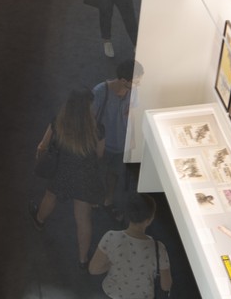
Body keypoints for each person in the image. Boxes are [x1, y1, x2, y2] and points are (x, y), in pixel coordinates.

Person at [30, 89, 105, 268]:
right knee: (83, 218)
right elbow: (99, 155)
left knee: (50, 196)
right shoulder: (98, 129)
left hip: (61, 171)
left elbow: (43, 145)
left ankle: (39, 220)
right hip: (84, 176)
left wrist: (40, 156)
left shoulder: (58, 122)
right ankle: (83, 259)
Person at [89, 193, 172, 299]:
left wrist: (110, 264)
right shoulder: (158, 248)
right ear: (150, 219)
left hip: (112, 294)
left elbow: (94, 269)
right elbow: (166, 285)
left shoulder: (110, 237)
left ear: (127, 214)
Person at [92, 60, 144, 217]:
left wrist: (132, 138)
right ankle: (93, 199)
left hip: (121, 145)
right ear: (123, 80)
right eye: (136, 81)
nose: (139, 85)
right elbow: (90, 119)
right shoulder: (100, 92)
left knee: (114, 174)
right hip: (101, 145)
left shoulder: (133, 92)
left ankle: (107, 201)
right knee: (96, 172)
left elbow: (132, 114)